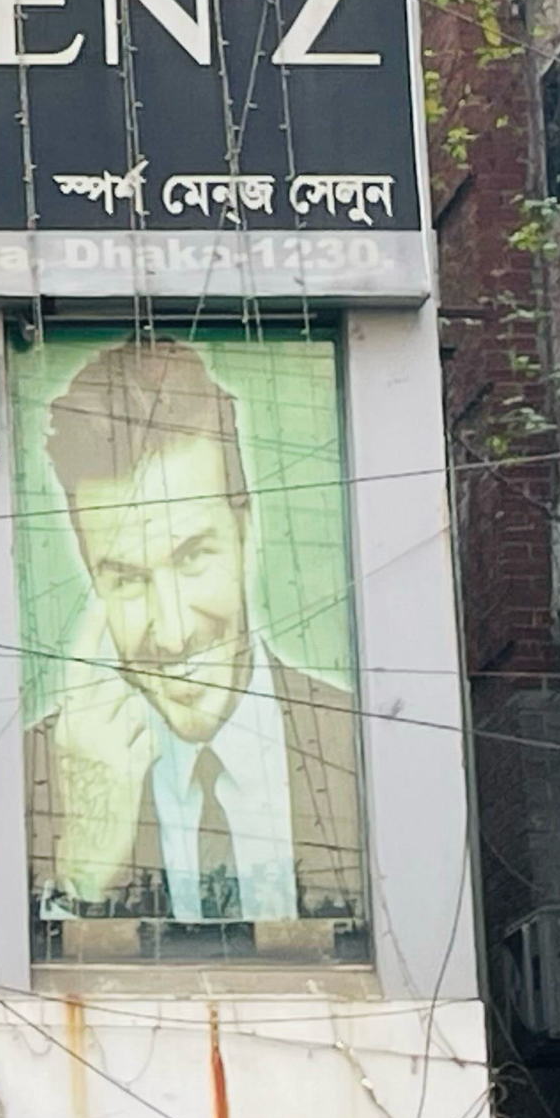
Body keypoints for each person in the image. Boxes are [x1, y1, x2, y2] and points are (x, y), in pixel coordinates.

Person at [26, 337, 361, 926]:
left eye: (191, 557)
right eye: (127, 579)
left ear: (245, 527)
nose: (174, 631)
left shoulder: (362, 743)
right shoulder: (28, 776)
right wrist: (82, 869)